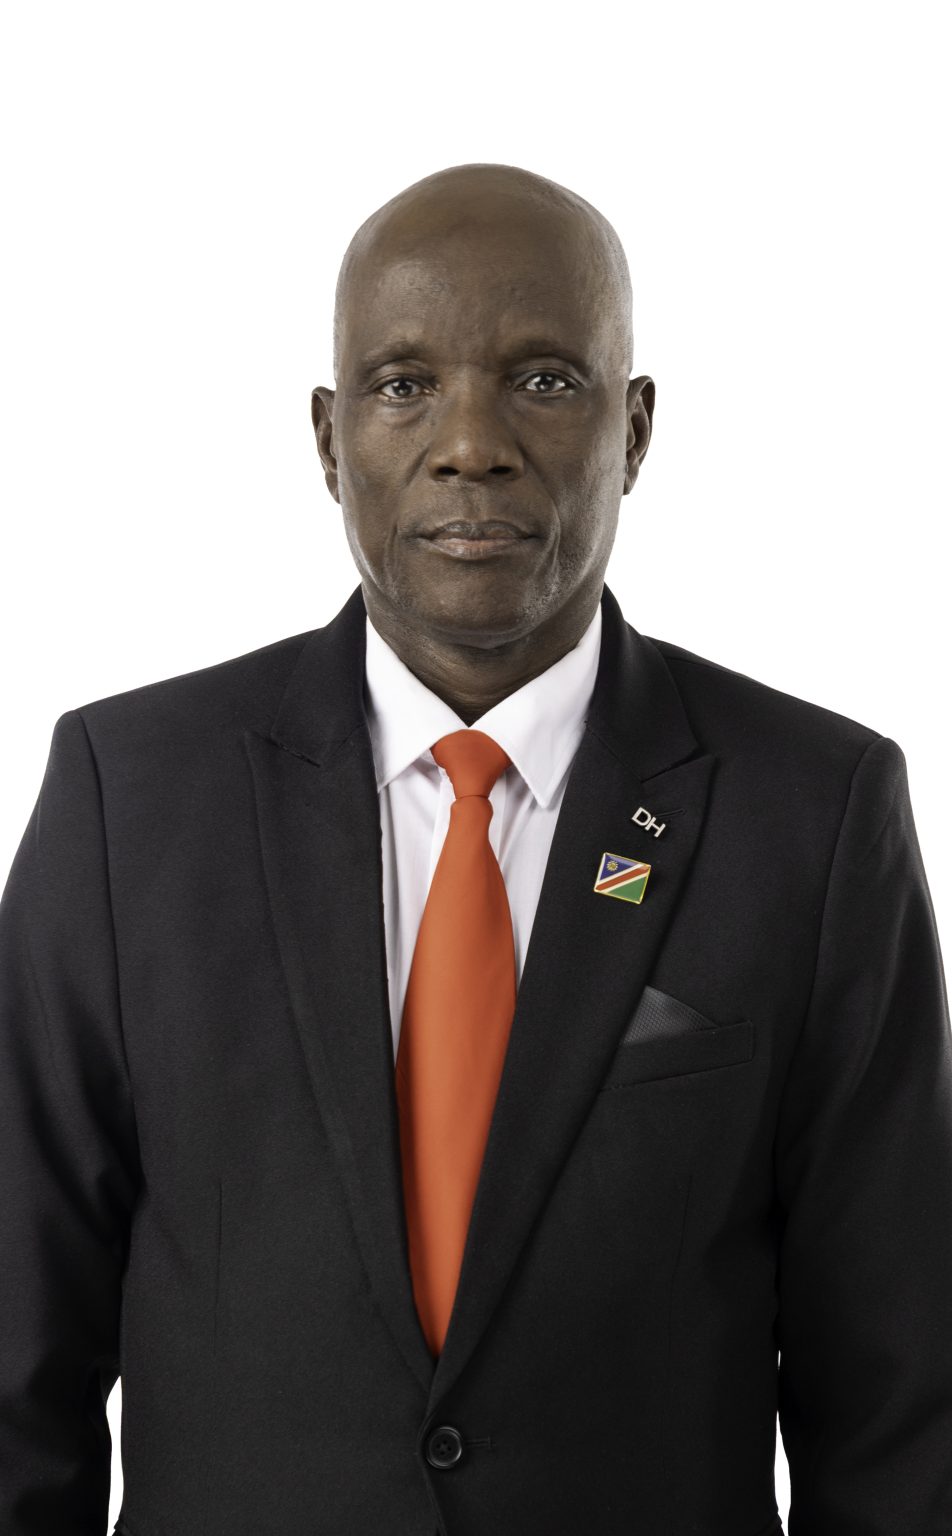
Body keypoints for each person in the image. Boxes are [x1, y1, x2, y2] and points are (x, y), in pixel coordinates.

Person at [1, 161, 950, 1536]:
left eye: (545, 381)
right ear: (329, 440)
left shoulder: (815, 811)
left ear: (636, 428)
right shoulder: (129, 798)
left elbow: (899, 1413)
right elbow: (18, 1362)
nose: (469, 444)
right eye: (403, 384)